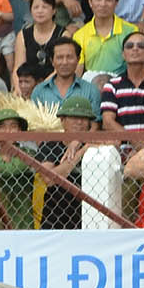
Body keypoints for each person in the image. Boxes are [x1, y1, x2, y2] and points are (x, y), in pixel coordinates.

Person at [35, 94, 96, 231]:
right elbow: (49, 178)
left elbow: (114, 141)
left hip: (87, 217)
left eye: (83, 118)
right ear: (62, 120)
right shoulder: (50, 146)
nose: (79, 122)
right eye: (74, 117)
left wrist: (80, 141)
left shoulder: (94, 142)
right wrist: (80, 152)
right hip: (54, 217)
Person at [74, 0, 138, 85]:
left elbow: (135, 65)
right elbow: (78, 69)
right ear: (90, 2)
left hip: (122, 84)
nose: (103, 4)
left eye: (108, 0)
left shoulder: (131, 31)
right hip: (90, 85)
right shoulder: (80, 35)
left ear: (116, 3)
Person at [101, 30, 144, 130]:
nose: (135, 49)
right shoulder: (111, 86)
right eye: (129, 46)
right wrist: (132, 141)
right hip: (122, 144)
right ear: (123, 54)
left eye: (141, 46)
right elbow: (107, 121)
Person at [32, 35, 101, 108]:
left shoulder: (91, 91)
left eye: (70, 57)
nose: (65, 62)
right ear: (52, 61)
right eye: (59, 58)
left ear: (78, 59)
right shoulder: (39, 91)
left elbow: (95, 119)